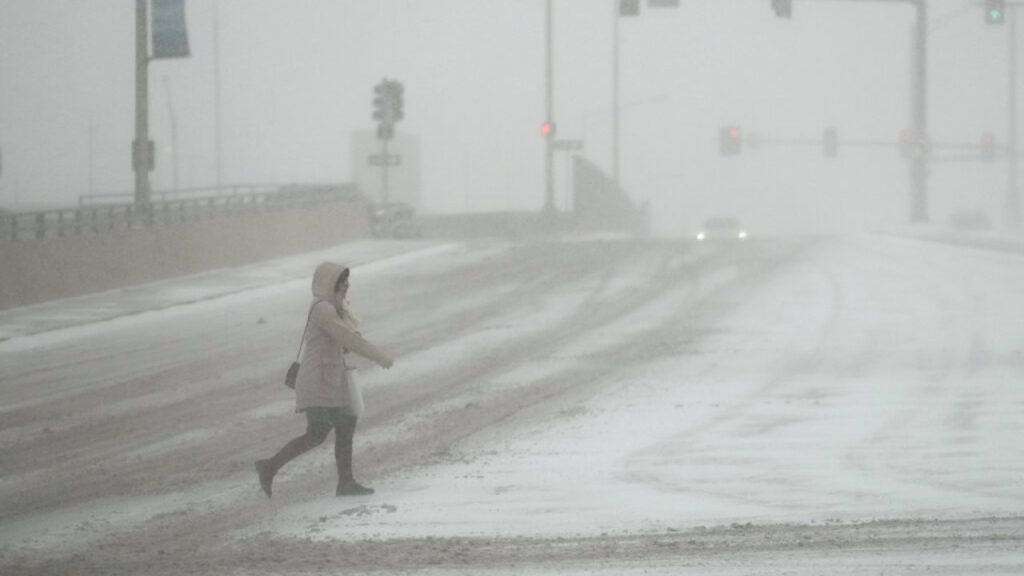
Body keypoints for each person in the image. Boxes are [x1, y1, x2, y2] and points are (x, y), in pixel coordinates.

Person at [256, 262, 394, 498]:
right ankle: (269, 466)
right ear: (332, 283)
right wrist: (379, 357)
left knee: (345, 423)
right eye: (343, 281)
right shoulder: (323, 309)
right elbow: (347, 337)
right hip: (317, 382)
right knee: (318, 432)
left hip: (329, 379)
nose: (347, 286)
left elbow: (340, 341)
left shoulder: (333, 308)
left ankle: (346, 482)